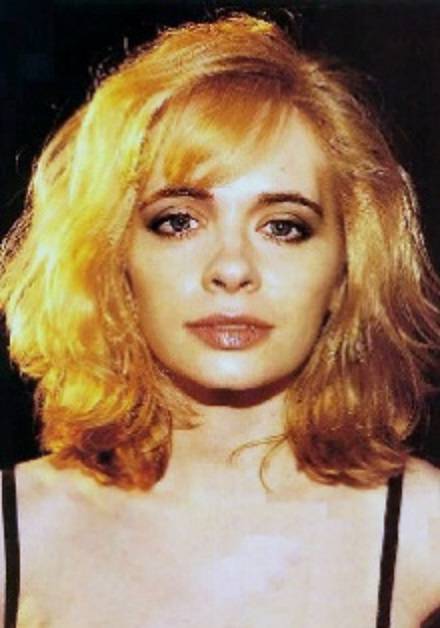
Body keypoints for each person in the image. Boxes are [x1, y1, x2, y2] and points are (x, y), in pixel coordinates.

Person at [0, 12, 439, 628]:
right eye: (178, 221)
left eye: (283, 227)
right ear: (114, 259)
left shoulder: (423, 530)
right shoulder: (19, 532)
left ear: (345, 272)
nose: (232, 268)